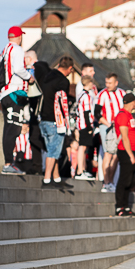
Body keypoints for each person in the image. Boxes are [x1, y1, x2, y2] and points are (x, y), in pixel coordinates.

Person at [0, 27, 35, 175]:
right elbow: (19, 69)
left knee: (9, 127)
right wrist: (29, 77)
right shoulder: (18, 49)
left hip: (5, 93)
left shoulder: (5, 49)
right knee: (13, 128)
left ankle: (8, 162)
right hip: (14, 92)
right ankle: (8, 163)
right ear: (19, 37)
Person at [39, 56, 74, 189]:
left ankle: (57, 177)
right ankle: (47, 180)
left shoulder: (46, 76)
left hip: (43, 119)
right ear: (70, 68)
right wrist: (65, 122)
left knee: (51, 149)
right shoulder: (63, 81)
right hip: (55, 121)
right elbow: (62, 103)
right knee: (54, 151)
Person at [96, 73, 125, 191]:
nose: (107, 85)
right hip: (106, 127)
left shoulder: (122, 93)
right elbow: (97, 113)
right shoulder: (102, 94)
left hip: (119, 127)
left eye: (110, 83)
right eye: (106, 82)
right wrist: (108, 124)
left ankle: (112, 181)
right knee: (108, 153)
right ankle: (106, 182)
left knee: (116, 155)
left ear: (116, 83)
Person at [114, 93, 135, 215]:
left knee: (130, 181)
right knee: (124, 179)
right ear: (132, 102)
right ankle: (120, 206)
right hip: (126, 151)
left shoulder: (129, 115)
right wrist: (130, 155)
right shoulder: (122, 115)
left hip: (134, 150)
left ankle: (126, 206)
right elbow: (125, 137)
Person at [74, 76, 97, 180]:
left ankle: (82, 169)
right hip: (84, 125)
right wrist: (89, 127)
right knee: (82, 147)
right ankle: (80, 170)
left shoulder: (81, 95)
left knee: (83, 147)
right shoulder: (86, 96)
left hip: (81, 124)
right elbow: (87, 112)